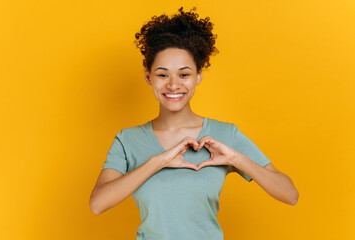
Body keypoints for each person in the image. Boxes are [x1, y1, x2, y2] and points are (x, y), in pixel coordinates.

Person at [89, 7, 299, 239]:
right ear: (149, 77)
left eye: (184, 74)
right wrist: (159, 161)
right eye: (162, 74)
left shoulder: (224, 134)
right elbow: (98, 204)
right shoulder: (128, 140)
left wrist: (236, 159)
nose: (173, 85)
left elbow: (290, 195)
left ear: (198, 76)